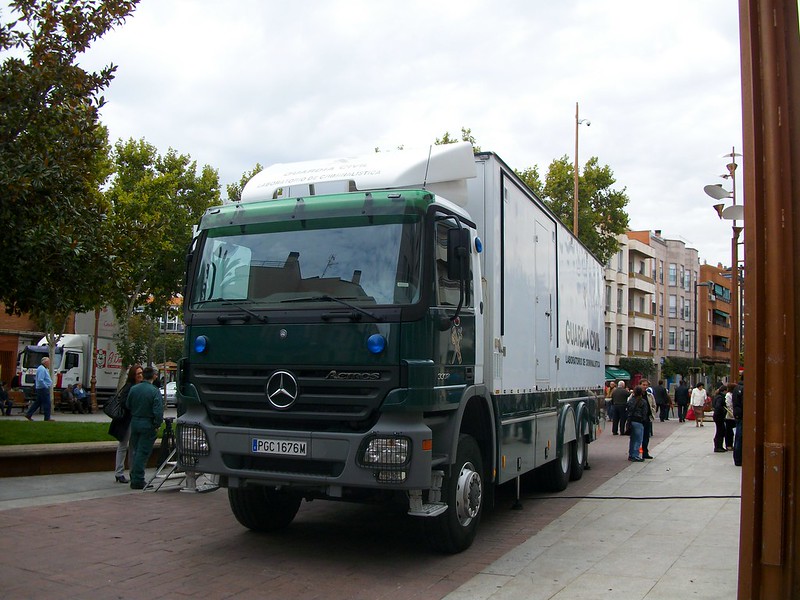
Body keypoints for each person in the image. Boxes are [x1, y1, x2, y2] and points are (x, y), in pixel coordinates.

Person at [126, 366, 163, 490]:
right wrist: (157, 424)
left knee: (136, 451)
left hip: (135, 421)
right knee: (143, 453)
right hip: (148, 424)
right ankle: (138, 479)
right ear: (153, 376)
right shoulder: (154, 391)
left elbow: (128, 404)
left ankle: (134, 476)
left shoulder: (134, 389)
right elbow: (158, 411)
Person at [109, 364, 143, 484]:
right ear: (133, 375)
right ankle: (119, 473)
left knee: (133, 447)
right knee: (123, 446)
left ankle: (132, 472)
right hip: (127, 420)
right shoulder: (129, 387)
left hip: (134, 419)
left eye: (141, 373)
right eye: (138, 374)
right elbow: (124, 403)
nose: (140, 376)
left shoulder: (138, 386)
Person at [25, 357, 54, 421]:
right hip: (43, 388)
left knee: (38, 402)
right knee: (47, 403)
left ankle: (28, 414)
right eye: (48, 362)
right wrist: (46, 386)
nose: (49, 363)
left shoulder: (42, 368)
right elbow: (40, 379)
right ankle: (47, 418)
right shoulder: (42, 369)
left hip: (41, 388)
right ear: (45, 362)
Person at [626, 386, 648, 461]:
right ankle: (635, 455)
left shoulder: (631, 400)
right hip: (639, 421)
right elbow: (644, 413)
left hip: (631, 420)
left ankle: (631, 454)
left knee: (632, 439)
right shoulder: (643, 401)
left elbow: (628, 409)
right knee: (638, 439)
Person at [639, 379, 656, 459]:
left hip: (647, 419)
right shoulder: (635, 394)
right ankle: (635, 453)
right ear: (640, 385)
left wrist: (652, 412)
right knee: (637, 437)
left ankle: (645, 453)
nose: (645, 386)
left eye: (646, 385)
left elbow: (653, 405)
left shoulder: (649, 395)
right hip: (638, 419)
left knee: (646, 437)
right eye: (643, 385)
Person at [712, 384, 728, 452]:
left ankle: (719, 446)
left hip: (717, 416)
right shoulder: (720, 398)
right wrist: (724, 410)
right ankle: (718, 446)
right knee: (720, 431)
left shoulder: (717, 396)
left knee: (720, 430)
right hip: (719, 416)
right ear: (724, 391)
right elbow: (718, 407)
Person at [732, 376, 744, 466]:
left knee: (738, 437)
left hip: (737, 414)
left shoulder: (736, 388)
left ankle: (737, 457)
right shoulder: (743, 388)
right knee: (740, 436)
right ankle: (739, 458)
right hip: (742, 414)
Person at [724, 382, 737, 451]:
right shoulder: (728, 395)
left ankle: (731, 444)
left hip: (734, 414)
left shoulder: (734, 394)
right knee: (729, 431)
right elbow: (728, 405)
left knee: (733, 431)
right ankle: (729, 445)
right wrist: (732, 412)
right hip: (730, 416)